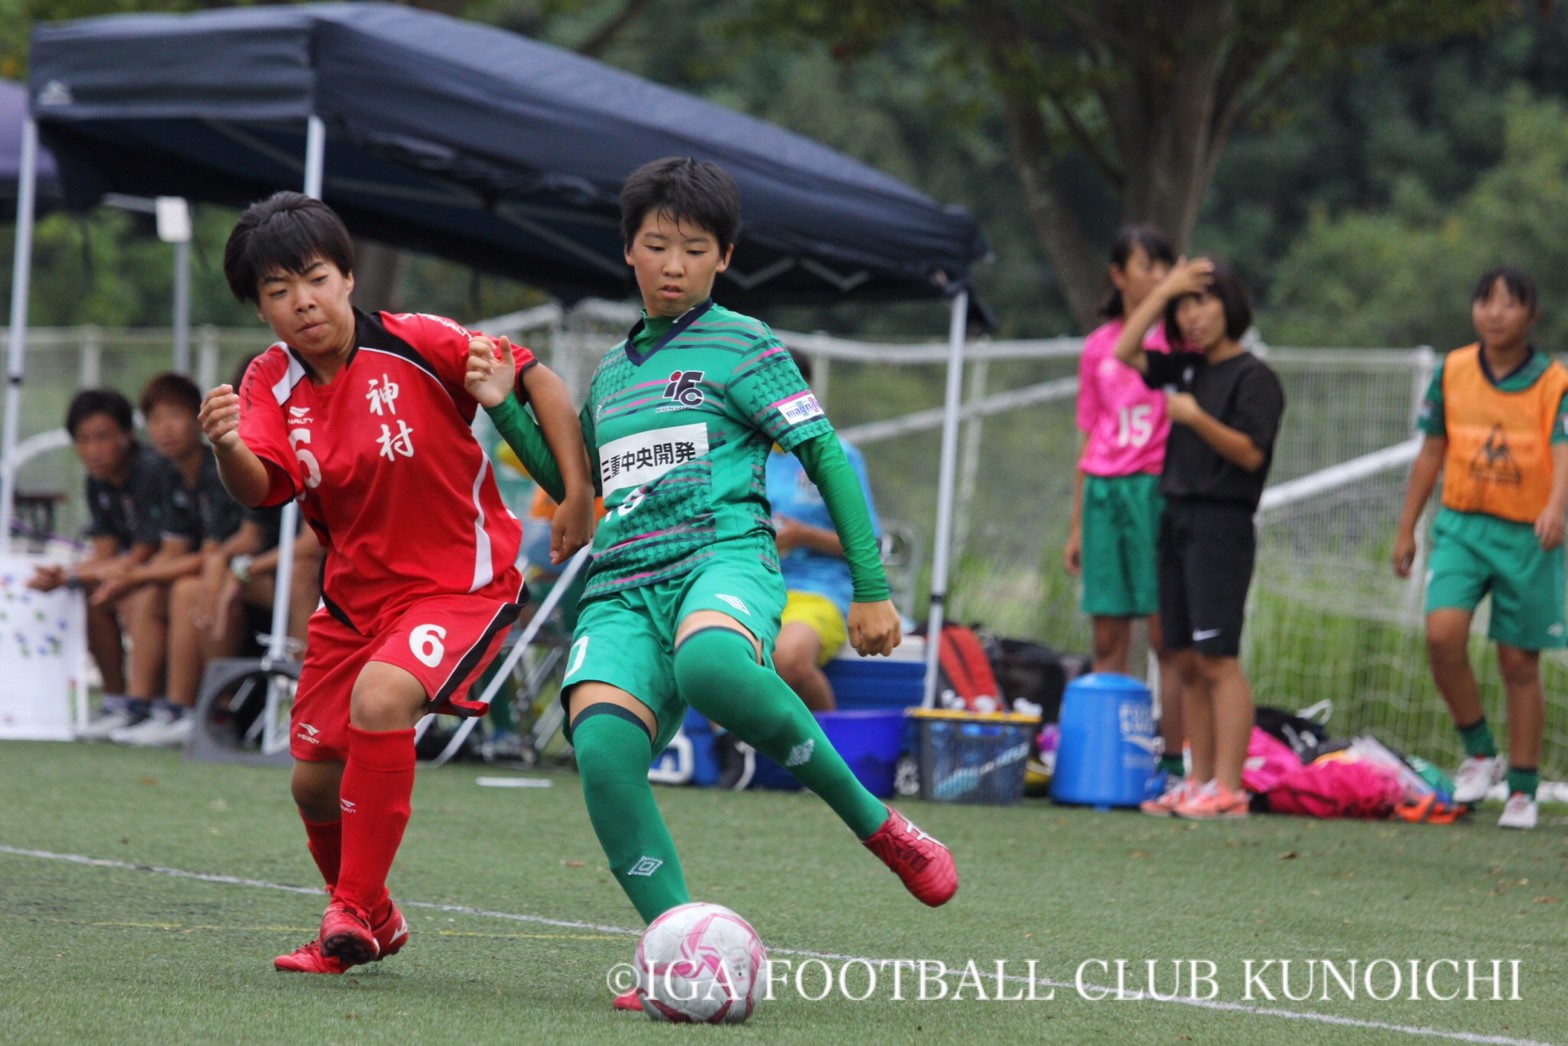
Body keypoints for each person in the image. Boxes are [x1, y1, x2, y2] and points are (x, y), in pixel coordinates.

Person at [472, 159, 957, 1006]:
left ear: (723, 257)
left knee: (709, 667)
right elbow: (576, 479)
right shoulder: (614, 375)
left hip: (721, 559)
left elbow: (824, 454)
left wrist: (872, 587)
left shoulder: (747, 343)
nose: (672, 264)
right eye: (656, 245)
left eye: (693, 249)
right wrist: (503, 405)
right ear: (628, 250)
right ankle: (678, 952)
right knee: (603, 753)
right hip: (621, 585)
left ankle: (878, 825)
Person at [197, 190, 594, 975]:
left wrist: (576, 494)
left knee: (382, 699)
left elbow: (536, 381)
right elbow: (259, 486)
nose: (301, 302)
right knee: (312, 786)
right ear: (259, 309)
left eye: (313, 277)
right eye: (277, 292)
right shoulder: (268, 383)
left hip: (460, 586)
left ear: (347, 276)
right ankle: (374, 915)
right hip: (352, 607)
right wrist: (224, 447)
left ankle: (345, 912)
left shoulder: (421, 340)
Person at [1393, 266, 1566, 831]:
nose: (1494, 312)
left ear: (1531, 316)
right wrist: (1407, 528)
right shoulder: (1453, 370)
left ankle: (1521, 788)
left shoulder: (1551, 382)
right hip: (1463, 526)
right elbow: (1429, 454)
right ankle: (1479, 750)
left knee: (1518, 660)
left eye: (1509, 303)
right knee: (1442, 634)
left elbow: (1563, 450)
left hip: (1526, 533)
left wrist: (1556, 506)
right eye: (1484, 301)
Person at [1114, 256, 1285, 820]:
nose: (1191, 316)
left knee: (1218, 659)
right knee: (1183, 659)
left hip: (1221, 525)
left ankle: (1230, 789)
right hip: (1176, 517)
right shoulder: (1186, 368)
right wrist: (1164, 290)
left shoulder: (1254, 377)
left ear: (1230, 307)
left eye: (1202, 302)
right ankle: (1200, 780)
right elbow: (1125, 350)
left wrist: (1193, 419)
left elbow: (1251, 453)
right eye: (1185, 307)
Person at [1064, 226, 1189, 797]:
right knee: (1109, 634)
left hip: (1155, 490)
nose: (1157, 277)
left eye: (1165, 266)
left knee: (1168, 637)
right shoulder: (1098, 347)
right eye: (1146, 265)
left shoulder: (1182, 340)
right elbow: (1089, 437)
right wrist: (1075, 526)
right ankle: (1111, 763)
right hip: (1104, 494)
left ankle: (1174, 762)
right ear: (1118, 274)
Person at [93, 373, 248, 746]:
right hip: (213, 571)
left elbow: (211, 553)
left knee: (181, 590)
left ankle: (184, 709)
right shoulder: (173, 474)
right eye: (156, 419)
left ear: (198, 418)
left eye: (175, 415)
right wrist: (135, 577)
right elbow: (174, 551)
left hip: (242, 573)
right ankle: (139, 705)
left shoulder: (218, 466)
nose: (165, 429)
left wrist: (136, 574)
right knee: (149, 591)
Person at [27, 388, 168, 738]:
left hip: (166, 568)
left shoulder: (151, 470)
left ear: (126, 434)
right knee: (92, 590)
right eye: (84, 440)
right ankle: (116, 699)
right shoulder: (97, 482)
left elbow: (146, 550)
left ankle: (143, 703)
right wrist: (68, 574)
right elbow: (105, 551)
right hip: (136, 568)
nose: (93, 450)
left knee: (132, 593)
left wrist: (75, 574)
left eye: (103, 437)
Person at [765, 348, 882, 713]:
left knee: (788, 660)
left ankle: (829, 761)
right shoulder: (741, 455)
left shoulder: (836, 455)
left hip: (821, 589)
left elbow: (869, 545)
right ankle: (734, 756)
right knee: (717, 654)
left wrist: (803, 536)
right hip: (755, 587)